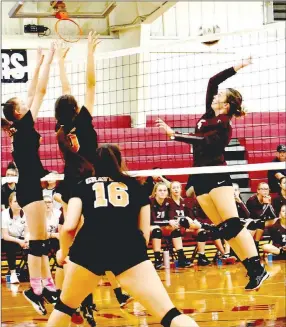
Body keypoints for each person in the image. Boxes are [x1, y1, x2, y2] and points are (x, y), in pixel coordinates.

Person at [47, 144, 198, 327]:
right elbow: (144, 234)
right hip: (128, 248)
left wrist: (63, 254)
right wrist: (135, 257)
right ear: (119, 161)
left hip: (90, 247)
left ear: (94, 163)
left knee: (64, 308)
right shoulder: (136, 186)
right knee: (169, 314)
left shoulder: (81, 187)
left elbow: (69, 227)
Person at [156, 57, 269, 291]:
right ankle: (253, 270)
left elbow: (203, 143)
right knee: (224, 229)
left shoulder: (224, 125)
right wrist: (237, 67)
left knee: (232, 225)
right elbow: (213, 81)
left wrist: (174, 135)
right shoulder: (209, 112)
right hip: (201, 178)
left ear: (226, 105)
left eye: (221, 96)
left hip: (217, 175)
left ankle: (258, 269)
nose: (216, 96)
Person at [1, 44, 58, 315]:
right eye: (22, 105)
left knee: (42, 238)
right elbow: (41, 90)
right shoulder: (23, 126)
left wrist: (36, 62)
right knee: (37, 241)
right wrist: (48, 60)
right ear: (17, 114)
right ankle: (34, 290)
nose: (27, 103)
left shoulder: (21, 127)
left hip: (30, 185)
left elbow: (33, 90)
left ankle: (47, 284)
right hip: (28, 187)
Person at [150, 182, 191, 269]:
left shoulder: (168, 202)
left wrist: (174, 222)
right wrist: (168, 222)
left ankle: (181, 258)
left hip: (163, 227)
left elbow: (171, 218)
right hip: (150, 227)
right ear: (155, 192)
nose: (162, 192)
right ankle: (157, 260)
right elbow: (153, 221)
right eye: (160, 190)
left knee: (175, 229)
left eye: (164, 190)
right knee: (157, 230)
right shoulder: (150, 202)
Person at [1, 192, 28, 284]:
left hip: (20, 239)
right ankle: (13, 274)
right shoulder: (4, 215)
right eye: (16, 201)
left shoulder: (25, 213)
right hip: (7, 240)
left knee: (34, 244)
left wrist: (26, 241)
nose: (18, 203)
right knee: (10, 245)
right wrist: (19, 241)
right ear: (10, 203)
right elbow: (5, 236)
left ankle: (32, 273)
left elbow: (27, 232)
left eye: (19, 201)